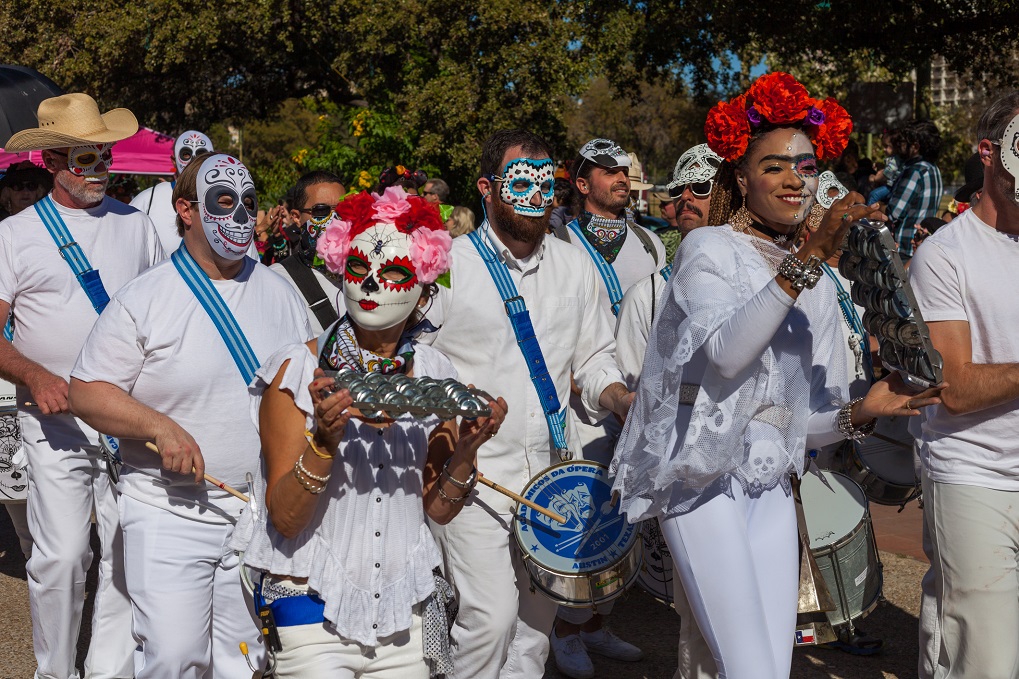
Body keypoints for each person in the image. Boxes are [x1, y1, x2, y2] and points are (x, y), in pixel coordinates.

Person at [611, 72, 943, 678]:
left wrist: (863, 411)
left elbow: (799, 424)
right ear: (740, 179)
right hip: (699, 484)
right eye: (774, 166)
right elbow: (728, 354)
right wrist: (812, 255)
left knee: (770, 667)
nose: (795, 178)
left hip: (768, 487)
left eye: (807, 166)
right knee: (749, 669)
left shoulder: (813, 286)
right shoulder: (708, 248)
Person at [230, 187, 506, 677]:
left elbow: (438, 509)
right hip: (309, 611)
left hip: (405, 615)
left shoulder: (434, 372)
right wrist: (324, 442)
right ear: (341, 266)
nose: (373, 285)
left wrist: (466, 450)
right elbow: (286, 520)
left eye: (395, 273)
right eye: (359, 269)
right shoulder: (296, 371)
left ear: (423, 285)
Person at [66, 153, 310, 678]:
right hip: (168, 511)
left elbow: (311, 375)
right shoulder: (146, 296)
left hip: (259, 514)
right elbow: (86, 391)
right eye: (224, 201)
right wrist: (159, 426)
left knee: (245, 663)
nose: (241, 215)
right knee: (175, 658)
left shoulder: (281, 291)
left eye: (249, 202)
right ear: (186, 209)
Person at [421, 129, 632, 679]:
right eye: (521, 183)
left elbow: (594, 361)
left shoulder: (574, 266)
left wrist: (619, 397)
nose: (536, 196)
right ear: (488, 188)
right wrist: (455, 411)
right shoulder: (450, 267)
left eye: (546, 184)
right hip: (474, 476)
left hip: (550, 480)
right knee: (489, 619)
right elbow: (418, 360)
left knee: (535, 631)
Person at [0, 92, 164, 679]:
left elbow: (164, 314)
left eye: (103, 156)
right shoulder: (14, 236)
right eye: (84, 159)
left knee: (125, 549)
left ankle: (109, 670)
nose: (99, 170)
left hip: (125, 421)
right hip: (54, 422)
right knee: (63, 555)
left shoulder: (138, 226)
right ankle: (54, 672)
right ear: (50, 162)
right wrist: (33, 374)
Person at [909, 91, 1019, 679]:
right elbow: (954, 386)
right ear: (989, 153)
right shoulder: (944, 256)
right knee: (987, 657)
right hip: (974, 472)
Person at [547, 137, 666, 677]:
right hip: (582, 402)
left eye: (624, 168)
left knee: (627, 516)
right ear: (581, 180)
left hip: (638, 398)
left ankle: (597, 621)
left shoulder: (650, 242)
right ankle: (565, 628)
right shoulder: (556, 240)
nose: (621, 176)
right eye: (607, 170)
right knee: (585, 513)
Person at [270, 171, 346, 336]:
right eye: (321, 211)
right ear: (296, 217)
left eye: (343, 210)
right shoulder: (277, 280)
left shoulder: (366, 273)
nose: (335, 220)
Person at [130, 130, 213, 254]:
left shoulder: (225, 202)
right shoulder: (148, 200)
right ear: (174, 160)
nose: (194, 160)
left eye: (201, 154)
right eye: (186, 154)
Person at [886, 120, 944, 260]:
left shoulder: (915, 171)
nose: (900, 146)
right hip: (921, 245)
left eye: (904, 142)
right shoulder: (933, 169)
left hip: (905, 247)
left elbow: (893, 212)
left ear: (915, 147)